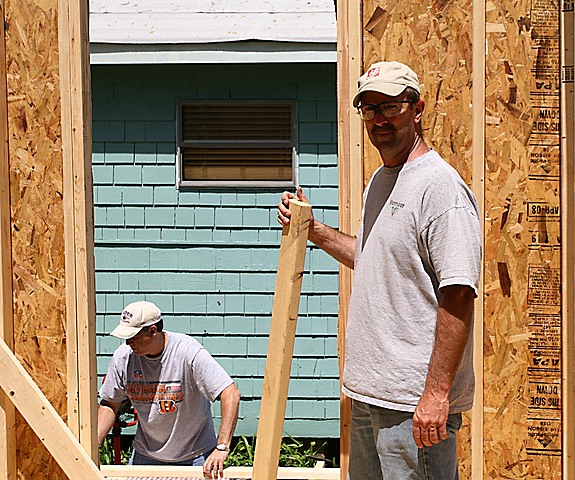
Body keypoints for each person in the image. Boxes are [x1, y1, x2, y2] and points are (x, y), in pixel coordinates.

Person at [277, 61, 481, 479]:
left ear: (417, 108)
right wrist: (315, 231)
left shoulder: (439, 187)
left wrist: (436, 394)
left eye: (389, 106)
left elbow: (459, 291)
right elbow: (372, 256)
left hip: (412, 406)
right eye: (369, 110)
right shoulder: (382, 180)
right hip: (370, 396)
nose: (379, 120)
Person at [98, 300, 241, 479]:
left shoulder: (188, 352)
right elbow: (110, 404)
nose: (128, 342)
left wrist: (222, 447)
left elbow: (230, 393)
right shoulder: (123, 358)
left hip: (195, 458)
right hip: (146, 457)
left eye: (133, 336)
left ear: (152, 331)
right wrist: (92, 445)